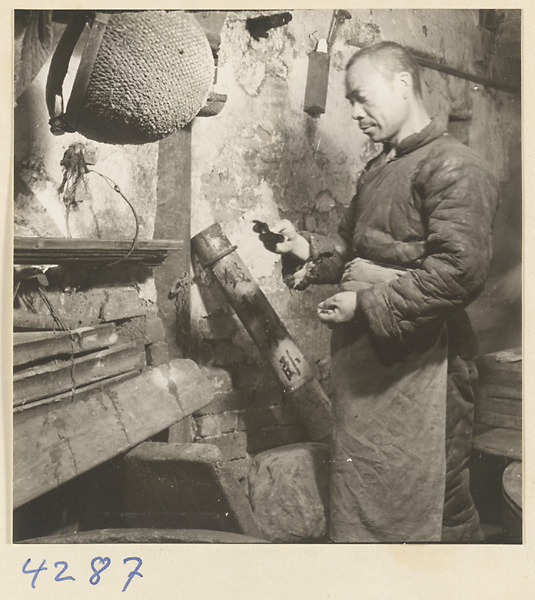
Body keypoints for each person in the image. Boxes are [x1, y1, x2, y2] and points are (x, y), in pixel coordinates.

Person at [257, 41, 501, 542]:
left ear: (403, 85)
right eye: (348, 101)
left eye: (361, 98)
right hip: (368, 361)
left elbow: (461, 269)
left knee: (435, 498)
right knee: (367, 488)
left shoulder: (455, 166)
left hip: (423, 362)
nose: (353, 113)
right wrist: (303, 247)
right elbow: (351, 247)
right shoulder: (380, 168)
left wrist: (365, 305)